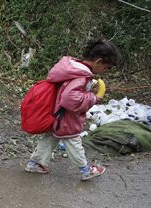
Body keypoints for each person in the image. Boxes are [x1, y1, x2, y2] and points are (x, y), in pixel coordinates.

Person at [25, 39, 120, 180]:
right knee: (74, 142)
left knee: (51, 137)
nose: (104, 71)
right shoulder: (82, 76)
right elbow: (70, 99)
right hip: (66, 118)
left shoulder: (73, 69)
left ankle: (35, 163)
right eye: (106, 68)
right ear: (98, 61)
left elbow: (68, 89)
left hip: (57, 114)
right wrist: (92, 98)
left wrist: (88, 86)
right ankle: (85, 170)